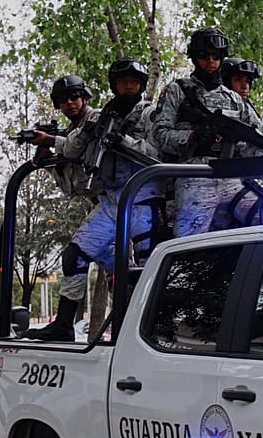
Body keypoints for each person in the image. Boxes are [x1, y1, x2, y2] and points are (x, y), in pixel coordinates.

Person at [22, 57, 163, 342]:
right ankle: (64, 325)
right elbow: (74, 149)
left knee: (148, 269)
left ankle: (149, 331)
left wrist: (123, 141)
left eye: (133, 82)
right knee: (74, 256)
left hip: (144, 199)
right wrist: (48, 144)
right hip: (111, 201)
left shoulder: (151, 114)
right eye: (123, 82)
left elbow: (159, 154)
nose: (128, 86)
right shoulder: (105, 115)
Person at [152, 27, 263, 237]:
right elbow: (159, 134)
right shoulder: (177, 90)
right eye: (204, 55)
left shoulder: (233, 98)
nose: (210, 61)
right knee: (188, 247)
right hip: (194, 176)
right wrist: (193, 138)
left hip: (230, 176)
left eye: (216, 56)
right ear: (194, 57)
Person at [27, 74, 96, 200]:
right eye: (63, 99)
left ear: (85, 97)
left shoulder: (97, 119)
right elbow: (70, 188)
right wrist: (49, 162)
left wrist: (49, 139)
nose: (69, 102)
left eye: (74, 96)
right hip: (95, 201)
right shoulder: (68, 133)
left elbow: (75, 147)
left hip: (114, 196)